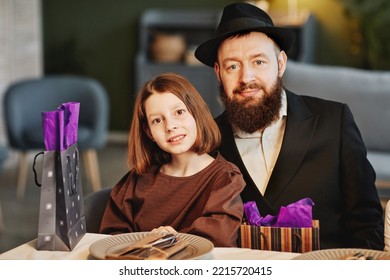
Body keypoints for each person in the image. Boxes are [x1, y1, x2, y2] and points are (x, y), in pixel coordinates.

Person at [194, 2, 384, 250]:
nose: (246, 78)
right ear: (219, 73)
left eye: (259, 62)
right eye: (233, 66)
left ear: (281, 63)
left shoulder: (334, 121)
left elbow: (367, 222)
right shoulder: (206, 143)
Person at [99, 73, 245, 247]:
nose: (170, 126)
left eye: (179, 112)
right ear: (149, 132)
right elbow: (111, 238)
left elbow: (218, 237)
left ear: (196, 113)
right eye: (157, 120)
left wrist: (169, 242)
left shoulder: (225, 179)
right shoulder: (137, 179)